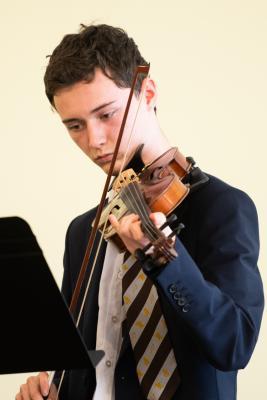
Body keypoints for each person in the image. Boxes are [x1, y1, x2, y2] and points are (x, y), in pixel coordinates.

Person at [16, 24, 264, 400]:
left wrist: (163, 256)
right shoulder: (84, 230)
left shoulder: (221, 207)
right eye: (75, 125)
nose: (94, 140)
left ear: (146, 92)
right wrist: (54, 392)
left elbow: (234, 345)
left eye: (107, 114)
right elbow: (87, 364)